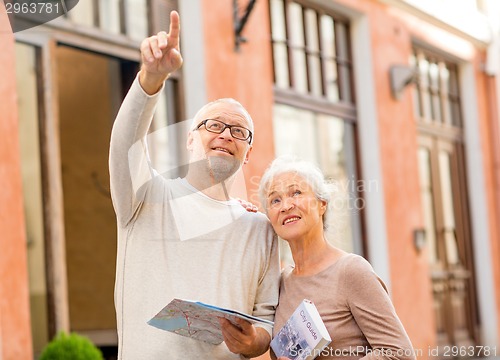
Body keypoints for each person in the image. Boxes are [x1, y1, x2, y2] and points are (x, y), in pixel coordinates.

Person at [109, 11, 280, 359]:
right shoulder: (146, 198)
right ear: (190, 140)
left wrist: (254, 342)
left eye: (239, 132)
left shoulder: (261, 229)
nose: (225, 135)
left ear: (247, 155)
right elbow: (125, 145)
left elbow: (267, 317)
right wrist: (150, 80)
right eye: (213, 125)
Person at [258, 156, 416, 360]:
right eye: (275, 200)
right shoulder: (281, 283)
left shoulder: (351, 271)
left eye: (296, 193)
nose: (286, 206)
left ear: (321, 204)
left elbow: (399, 354)